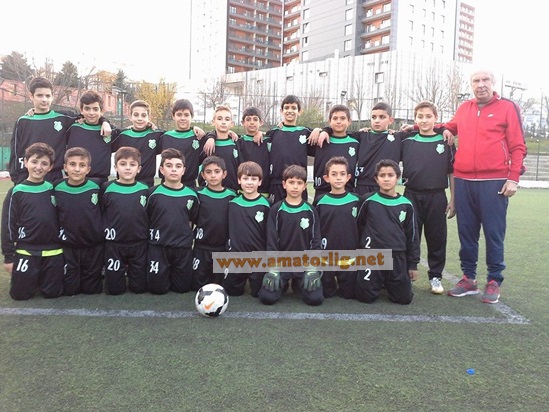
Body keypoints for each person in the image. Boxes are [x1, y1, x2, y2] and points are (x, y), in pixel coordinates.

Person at [444, 70, 526, 303]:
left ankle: (493, 280)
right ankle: (468, 279)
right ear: (471, 85)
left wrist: (513, 178)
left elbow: (518, 146)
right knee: (466, 233)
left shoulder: (508, 107)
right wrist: (445, 128)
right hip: (463, 181)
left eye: (485, 80)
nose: (480, 85)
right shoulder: (464, 108)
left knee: (493, 233)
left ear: (493, 83)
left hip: (494, 182)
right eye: (476, 81)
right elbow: (449, 125)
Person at [8, 77, 110, 185]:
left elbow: (89, 116)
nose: (44, 99)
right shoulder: (23, 121)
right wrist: (16, 178)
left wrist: (104, 121)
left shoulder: (64, 118)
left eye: (48, 96)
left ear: (52, 97)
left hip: (54, 177)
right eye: (39, 95)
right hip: (28, 175)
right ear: (31, 96)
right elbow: (15, 151)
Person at [401, 101, 455, 295]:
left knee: (437, 237)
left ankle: (435, 276)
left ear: (436, 118)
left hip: (436, 196)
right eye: (420, 117)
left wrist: (453, 199)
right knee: (410, 236)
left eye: (428, 116)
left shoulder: (445, 140)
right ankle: (408, 272)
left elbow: (452, 172)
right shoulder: (406, 140)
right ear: (415, 119)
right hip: (411, 195)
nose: (424, 120)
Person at [1, 142, 64, 300]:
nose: (38, 167)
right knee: (20, 295)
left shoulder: (54, 189)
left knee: (53, 294)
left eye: (44, 163)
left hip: (53, 251)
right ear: (25, 162)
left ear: (50, 167)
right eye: (34, 161)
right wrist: (9, 257)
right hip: (26, 250)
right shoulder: (16, 192)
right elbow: (7, 226)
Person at [258, 164, 323, 306]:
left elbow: (315, 241)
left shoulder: (311, 211)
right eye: (291, 182)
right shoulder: (276, 210)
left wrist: (312, 268)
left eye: (299, 183)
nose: (295, 186)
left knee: (315, 299)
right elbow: (271, 241)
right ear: (284, 184)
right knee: (267, 298)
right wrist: (273, 268)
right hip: (282, 264)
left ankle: (297, 283)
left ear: (304, 186)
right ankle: (284, 282)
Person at [356, 159, 419, 305]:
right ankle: (376, 281)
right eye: (382, 175)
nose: (386, 179)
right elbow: (359, 225)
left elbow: (412, 235)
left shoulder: (406, 204)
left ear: (397, 178)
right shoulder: (367, 200)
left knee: (404, 299)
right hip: (372, 256)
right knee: (365, 298)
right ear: (376, 179)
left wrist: (413, 265)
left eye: (390, 175)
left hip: (397, 256)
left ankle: (389, 282)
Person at [146, 148, 199, 294]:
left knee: (182, 289)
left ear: (183, 170)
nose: (174, 170)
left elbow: (192, 219)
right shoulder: (152, 193)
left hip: (182, 247)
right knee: (156, 290)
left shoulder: (192, 195)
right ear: (162, 170)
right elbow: (148, 217)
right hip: (158, 247)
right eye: (169, 166)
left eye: (178, 166)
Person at [54, 147, 105, 295]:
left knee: (92, 290)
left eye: (82, 165)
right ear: (65, 167)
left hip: (93, 246)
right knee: (70, 290)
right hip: (69, 246)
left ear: (88, 169)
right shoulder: (57, 187)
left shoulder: (97, 185)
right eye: (72, 164)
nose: (77, 169)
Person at [101, 146, 149, 295]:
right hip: (114, 244)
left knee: (139, 289)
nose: (128, 168)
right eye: (123, 164)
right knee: (114, 290)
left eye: (132, 164)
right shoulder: (106, 188)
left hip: (139, 243)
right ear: (115, 167)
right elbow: (101, 212)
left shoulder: (145, 189)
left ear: (138, 169)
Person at [313, 156, 360, 299]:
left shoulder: (357, 200)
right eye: (334, 174)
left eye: (342, 174)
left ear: (348, 177)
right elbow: (316, 228)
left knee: (349, 295)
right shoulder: (320, 201)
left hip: (350, 257)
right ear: (326, 178)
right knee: (326, 294)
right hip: (327, 257)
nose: (338, 178)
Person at [224, 161, 270, 297]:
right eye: (245, 178)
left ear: (260, 182)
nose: (249, 182)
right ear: (239, 180)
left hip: (258, 257)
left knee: (259, 293)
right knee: (231, 292)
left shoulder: (266, 205)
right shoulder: (232, 203)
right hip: (237, 256)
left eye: (254, 179)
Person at [191, 156, 237, 290]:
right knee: (196, 285)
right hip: (202, 247)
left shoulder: (232, 195)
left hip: (222, 248)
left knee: (221, 286)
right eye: (208, 172)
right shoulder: (197, 194)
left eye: (217, 172)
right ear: (203, 175)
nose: (213, 175)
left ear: (224, 174)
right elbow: (191, 217)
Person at [265, 95, 316, 203]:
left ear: (299, 111)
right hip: (277, 184)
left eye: (293, 108)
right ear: (281, 111)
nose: (290, 111)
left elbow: (324, 140)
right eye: (286, 108)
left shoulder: (305, 132)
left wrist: (319, 130)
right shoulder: (273, 133)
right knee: (276, 211)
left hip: (298, 183)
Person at [158, 99, 213, 188]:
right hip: (167, 185)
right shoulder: (165, 137)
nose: (183, 118)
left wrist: (211, 136)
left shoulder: (198, 137)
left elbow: (217, 136)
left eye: (186, 115)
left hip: (190, 186)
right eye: (179, 115)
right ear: (173, 116)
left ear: (192, 116)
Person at [66, 90, 114, 185]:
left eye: (95, 109)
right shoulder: (72, 126)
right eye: (87, 109)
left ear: (102, 111)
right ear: (81, 110)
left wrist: (105, 121)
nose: (91, 113)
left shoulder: (110, 130)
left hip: (100, 182)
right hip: (73, 180)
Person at [311, 105, 359, 199]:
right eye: (335, 118)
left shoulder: (356, 142)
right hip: (322, 191)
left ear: (349, 121)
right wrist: (318, 130)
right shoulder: (320, 139)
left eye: (342, 118)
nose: (338, 121)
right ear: (329, 121)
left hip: (347, 192)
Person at [111, 100, 163, 187]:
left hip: (146, 185)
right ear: (130, 117)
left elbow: (175, 138)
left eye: (143, 115)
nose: (140, 118)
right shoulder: (121, 135)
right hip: (123, 183)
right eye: (136, 115)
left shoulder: (157, 135)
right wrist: (103, 121)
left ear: (149, 117)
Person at [198, 106, 240, 191]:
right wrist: (210, 136)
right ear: (213, 122)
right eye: (219, 119)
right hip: (209, 192)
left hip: (231, 192)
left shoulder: (236, 142)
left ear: (232, 123)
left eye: (227, 119)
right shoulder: (206, 142)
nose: (223, 122)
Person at [236, 107, 271, 197]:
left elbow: (279, 131)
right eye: (248, 119)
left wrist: (261, 133)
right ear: (243, 123)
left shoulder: (268, 141)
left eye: (255, 119)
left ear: (261, 122)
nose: (252, 122)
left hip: (263, 192)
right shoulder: (238, 141)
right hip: (243, 192)